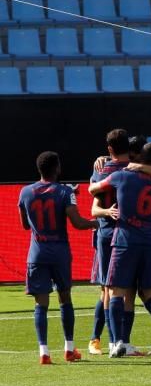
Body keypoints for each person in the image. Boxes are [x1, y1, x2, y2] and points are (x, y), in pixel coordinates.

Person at [90, 143, 151, 357]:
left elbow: (94, 188)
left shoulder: (122, 176)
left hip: (124, 240)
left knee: (116, 292)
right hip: (149, 242)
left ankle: (117, 341)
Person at [18, 152, 98, 364]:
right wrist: (96, 223)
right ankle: (69, 349)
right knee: (65, 298)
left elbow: (25, 225)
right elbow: (78, 223)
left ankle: (43, 352)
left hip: (37, 253)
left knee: (40, 304)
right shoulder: (65, 192)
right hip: (60, 253)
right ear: (57, 168)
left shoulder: (25, 192)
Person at [87, 128, 130, 355]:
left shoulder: (103, 169)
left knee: (110, 288)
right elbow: (95, 208)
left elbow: (93, 205)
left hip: (109, 234)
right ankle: (106, 339)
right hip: (123, 235)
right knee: (110, 289)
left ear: (110, 148)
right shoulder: (136, 169)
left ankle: (117, 341)